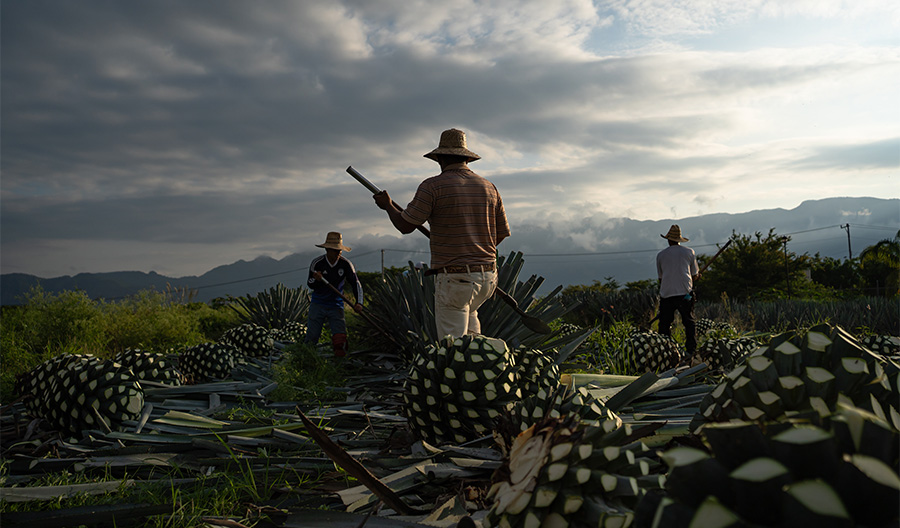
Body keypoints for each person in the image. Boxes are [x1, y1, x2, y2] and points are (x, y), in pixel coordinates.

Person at [373, 128, 510, 338]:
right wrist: (474, 251)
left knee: (453, 347)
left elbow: (405, 225)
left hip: (456, 279)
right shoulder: (489, 187)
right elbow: (500, 234)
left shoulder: (432, 186)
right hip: (488, 279)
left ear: (440, 158)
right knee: (473, 341)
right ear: (466, 158)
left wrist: (388, 206)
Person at [305, 232, 364, 357]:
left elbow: (356, 284)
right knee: (312, 337)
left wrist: (359, 303)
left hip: (336, 304)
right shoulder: (317, 263)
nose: (337, 253)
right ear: (327, 249)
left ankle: (340, 363)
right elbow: (310, 284)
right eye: (334, 250)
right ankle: (307, 360)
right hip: (318, 304)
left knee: (340, 339)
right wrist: (317, 279)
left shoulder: (346, 264)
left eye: (339, 251)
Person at [656, 225, 700, 359]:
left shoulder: (661, 255)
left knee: (664, 324)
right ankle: (691, 351)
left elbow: (661, 278)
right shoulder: (689, 252)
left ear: (668, 240)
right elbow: (694, 275)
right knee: (689, 322)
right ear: (679, 240)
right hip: (685, 293)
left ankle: (666, 351)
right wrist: (696, 277)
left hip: (666, 294)